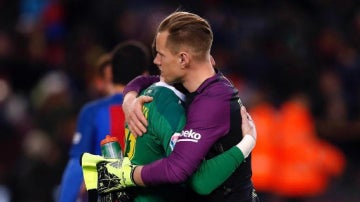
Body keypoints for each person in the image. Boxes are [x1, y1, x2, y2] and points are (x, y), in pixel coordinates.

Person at [82, 11, 258, 201]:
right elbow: (146, 79)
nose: (156, 61)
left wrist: (125, 175)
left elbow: (184, 174)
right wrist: (130, 98)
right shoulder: (197, 79)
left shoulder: (211, 104)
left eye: (161, 54)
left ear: (183, 59)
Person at [58, 40, 151, 202]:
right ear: (145, 75)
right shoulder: (154, 110)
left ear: (111, 74)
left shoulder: (93, 112)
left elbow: (76, 167)